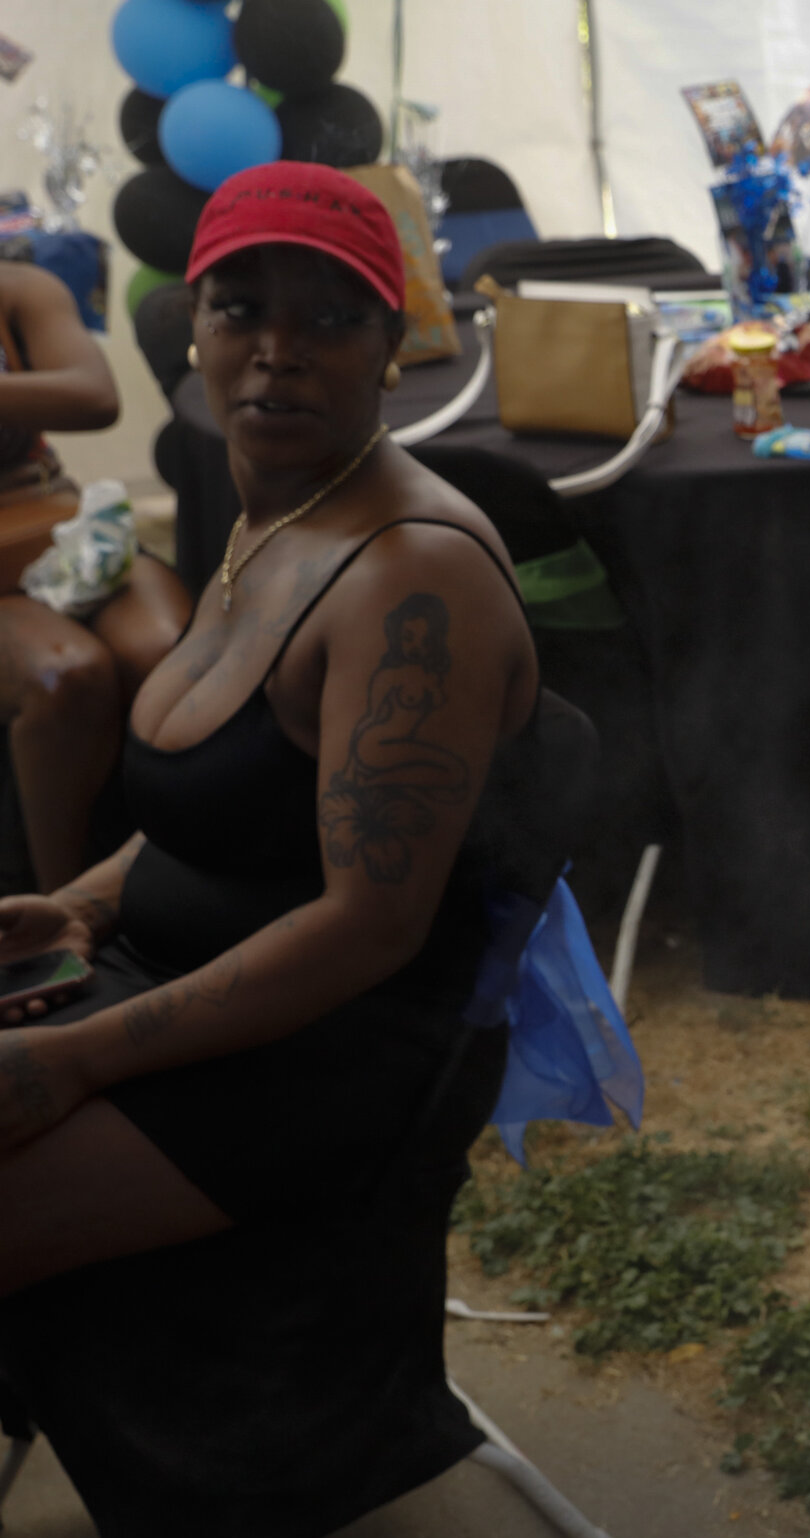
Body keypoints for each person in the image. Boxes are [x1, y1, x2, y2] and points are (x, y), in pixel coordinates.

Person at [0, 161, 537, 1298]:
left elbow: (369, 927)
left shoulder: (411, 574)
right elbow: (242, 799)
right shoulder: (270, 511)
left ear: (391, 343)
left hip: (326, 1052)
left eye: (331, 318)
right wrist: (84, 905)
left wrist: (78, 1055)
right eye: (240, 307)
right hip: (174, 984)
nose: (277, 348)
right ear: (193, 326)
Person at [0, 262, 192, 892]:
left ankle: (198, 867)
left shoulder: (19, 287)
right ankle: (62, 914)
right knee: (67, 676)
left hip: (54, 526)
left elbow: (93, 395)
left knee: (169, 653)